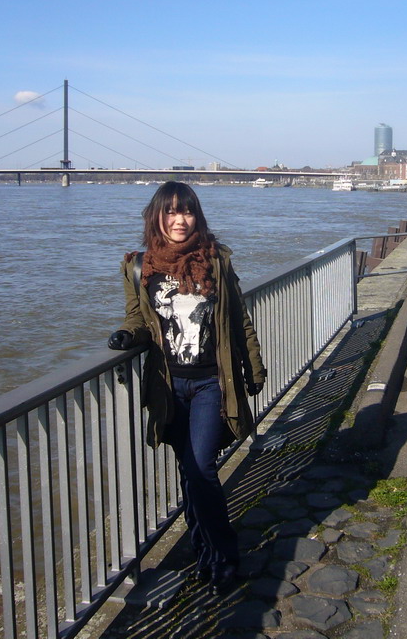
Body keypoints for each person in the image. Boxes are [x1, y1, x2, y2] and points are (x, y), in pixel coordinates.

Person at [107, 181, 266, 594]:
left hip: (211, 383)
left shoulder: (215, 261)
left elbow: (238, 318)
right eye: (172, 211)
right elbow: (137, 319)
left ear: (198, 215)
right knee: (189, 472)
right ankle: (205, 555)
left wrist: (254, 368)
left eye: (188, 211)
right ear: (157, 216)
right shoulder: (138, 267)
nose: (180, 220)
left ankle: (224, 557)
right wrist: (126, 336)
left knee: (201, 469)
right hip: (168, 386)